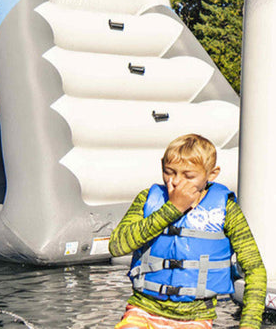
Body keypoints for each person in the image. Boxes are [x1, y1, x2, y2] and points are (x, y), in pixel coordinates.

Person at [110, 134, 266, 329]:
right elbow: (117, 246)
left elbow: (255, 269)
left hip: (196, 318)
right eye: (169, 172)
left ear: (211, 174)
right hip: (143, 310)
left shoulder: (227, 210)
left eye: (189, 176)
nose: (176, 182)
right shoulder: (146, 199)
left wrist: (250, 324)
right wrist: (172, 208)